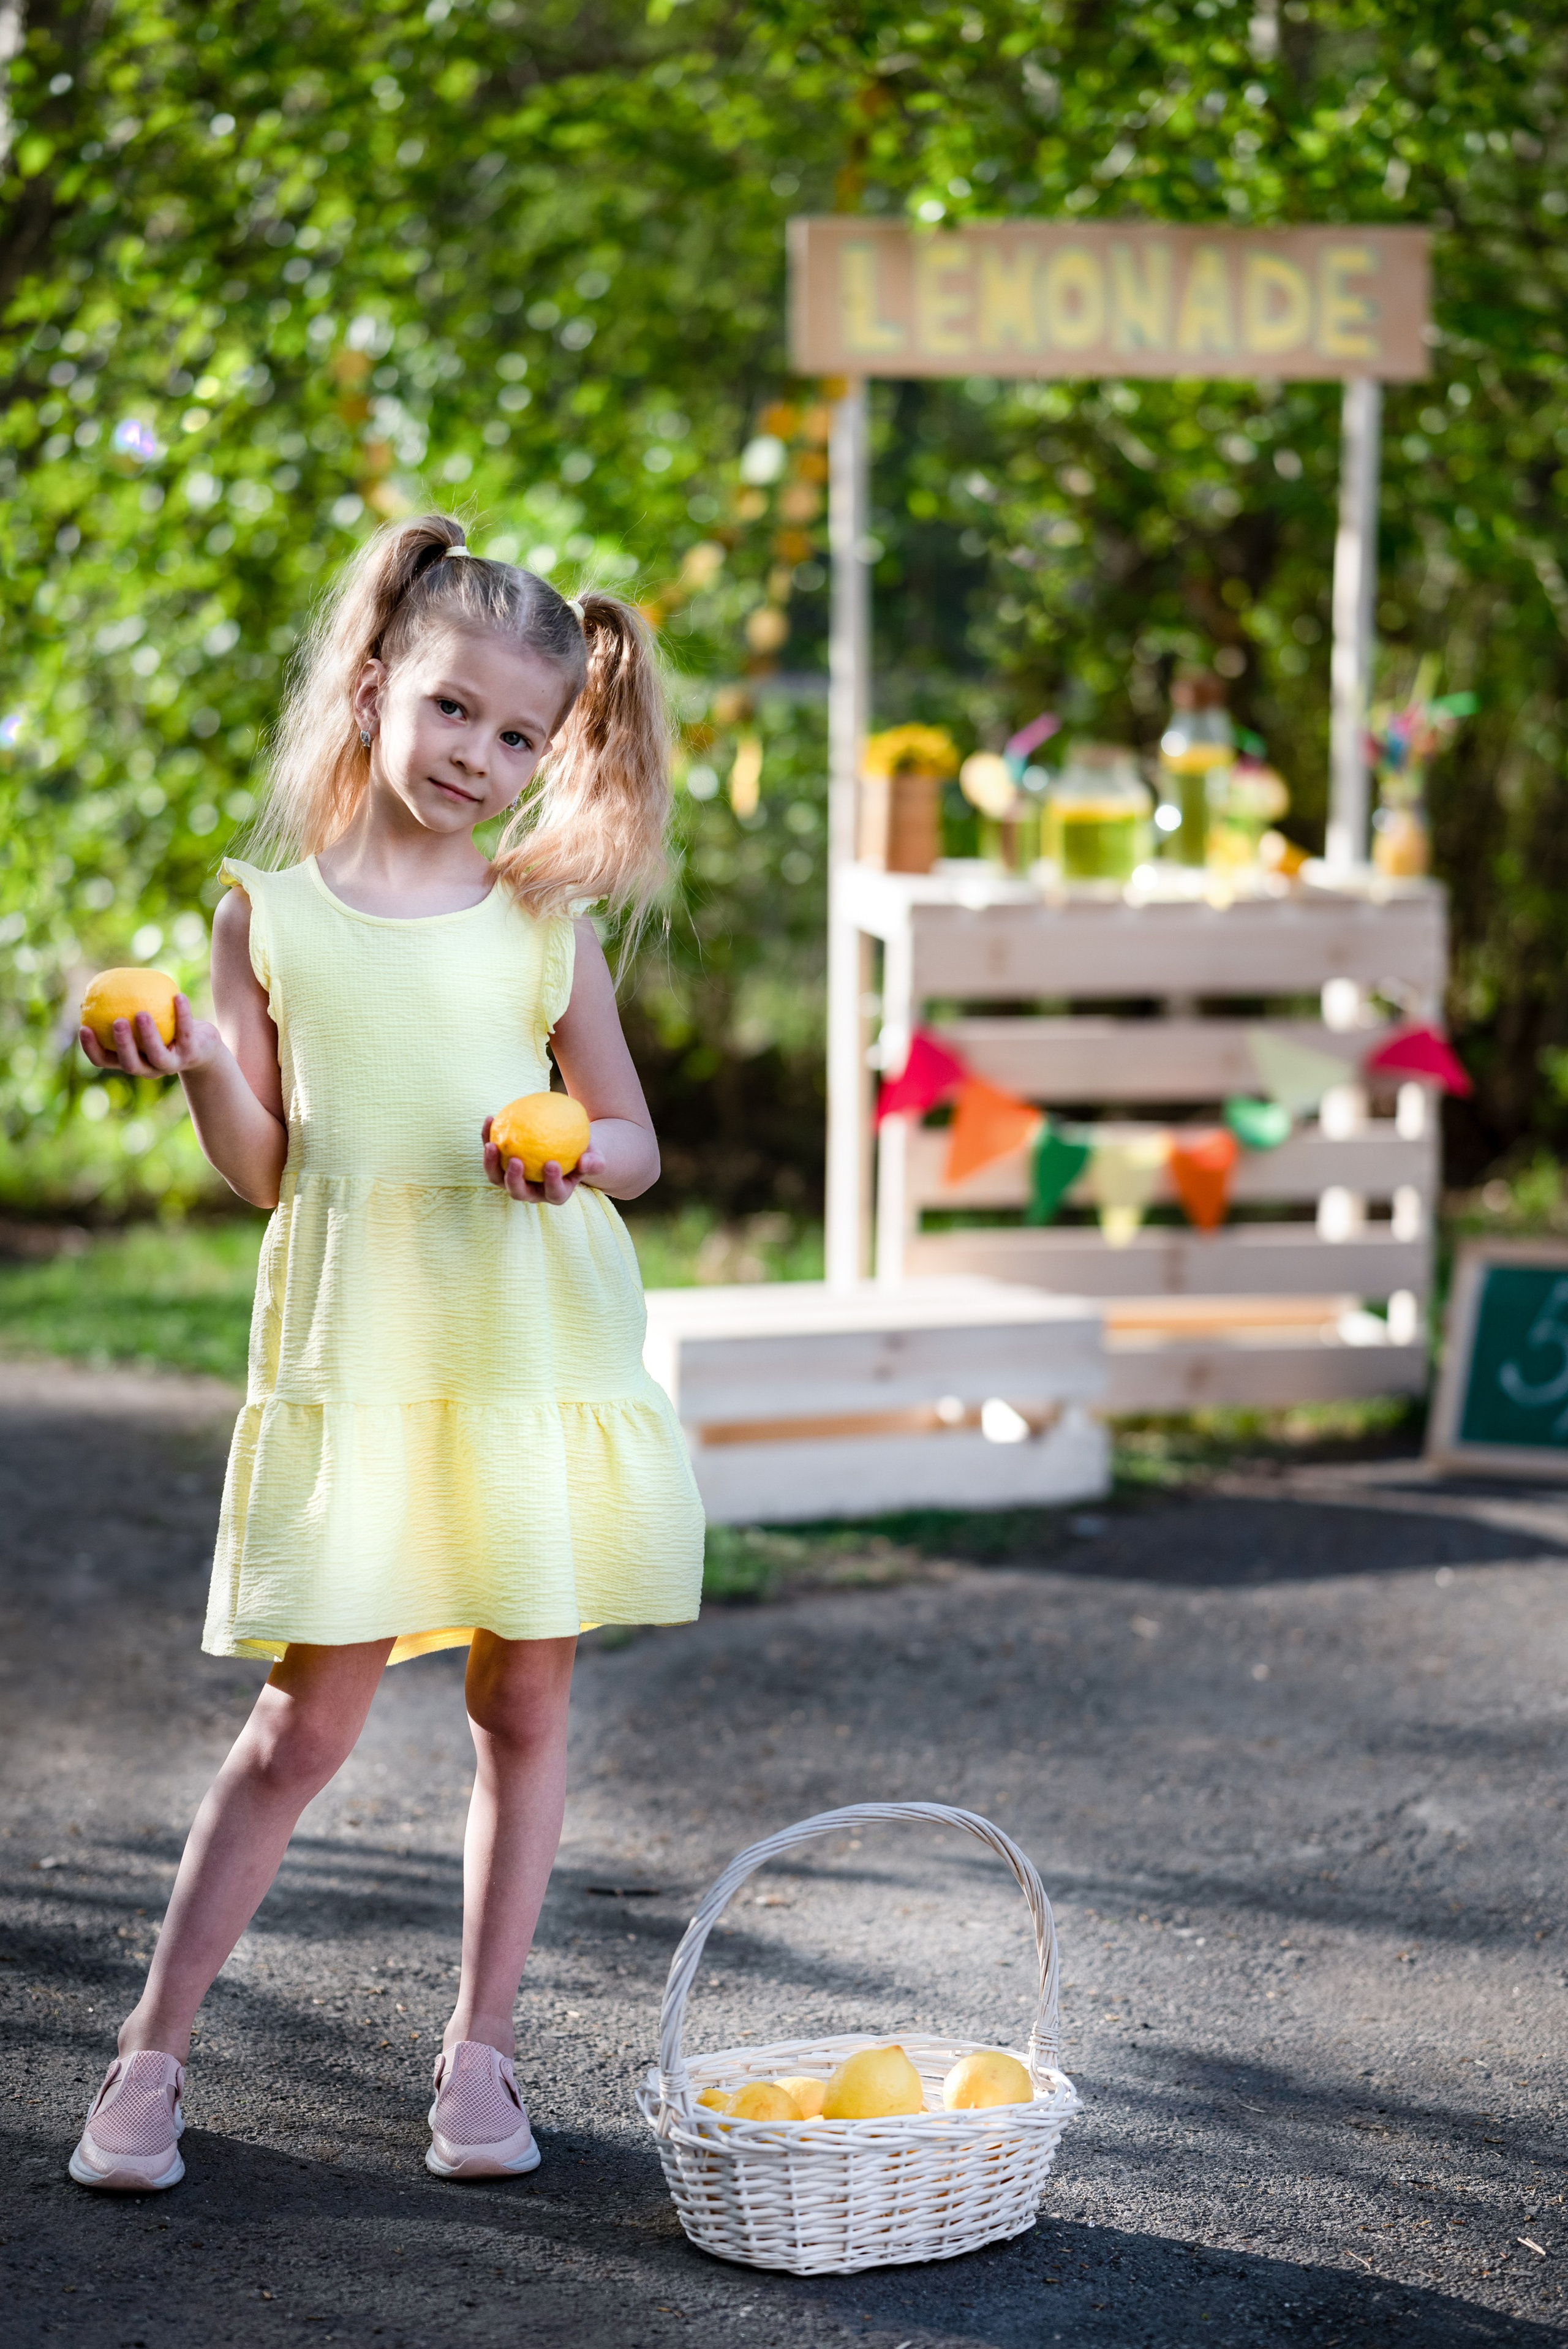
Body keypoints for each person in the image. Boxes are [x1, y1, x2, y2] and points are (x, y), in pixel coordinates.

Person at [68, 515, 705, 2192]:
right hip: (370, 1356)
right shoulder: (267, 913)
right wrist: (203, 1053)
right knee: (306, 1722)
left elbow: (636, 1140)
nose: (480, 760)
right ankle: (150, 2050)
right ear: (371, 687)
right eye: (452, 714)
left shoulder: (540, 923)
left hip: (522, 1347)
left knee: (528, 1693)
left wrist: (569, 1146)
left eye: (521, 737)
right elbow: (268, 1167)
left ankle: (480, 2059)